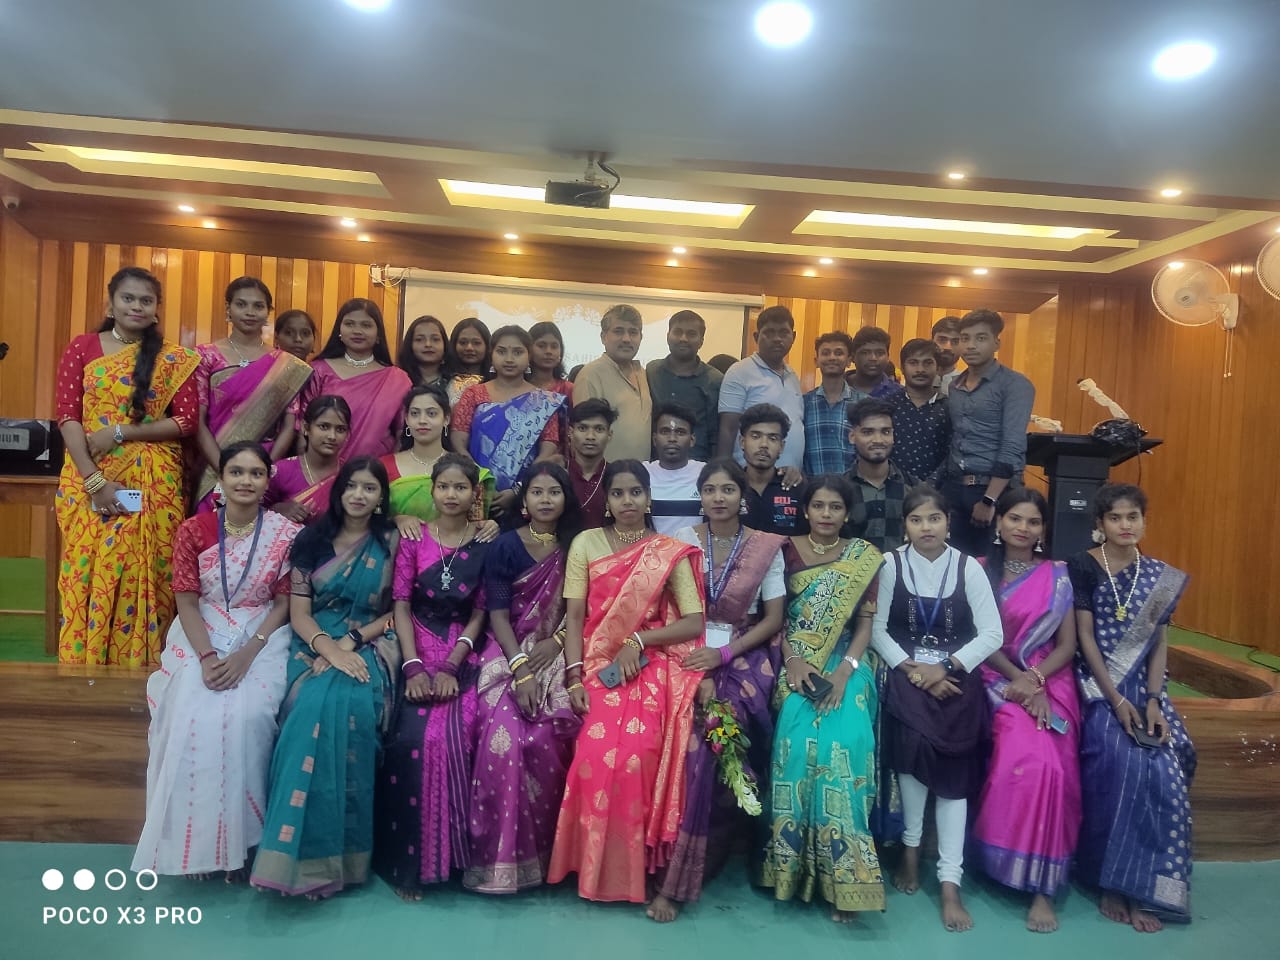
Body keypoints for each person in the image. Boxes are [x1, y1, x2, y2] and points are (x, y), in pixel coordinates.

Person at [132, 442, 301, 878]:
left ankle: (243, 844)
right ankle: (196, 846)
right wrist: (207, 656)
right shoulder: (194, 529)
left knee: (250, 716)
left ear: (267, 481)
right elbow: (186, 601)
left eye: (256, 473)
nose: (246, 481)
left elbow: (285, 604)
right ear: (221, 480)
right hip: (201, 627)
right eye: (236, 472)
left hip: (262, 631)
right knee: (188, 710)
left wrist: (247, 653)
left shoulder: (284, 533)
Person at [547, 460, 707, 908]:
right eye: (618, 493)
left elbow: (694, 621)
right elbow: (575, 615)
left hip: (649, 665)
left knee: (638, 754)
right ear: (607, 500)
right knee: (593, 754)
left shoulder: (667, 550)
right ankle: (588, 865)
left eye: (636, 492)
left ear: (648, 498)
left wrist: (640, 640)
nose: (627, 501)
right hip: (596, 663)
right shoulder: (586, 543)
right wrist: (574, 675)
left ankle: (635, 871)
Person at [251, 458, 400, 899]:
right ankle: (291, 857)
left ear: (381, 498)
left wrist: (351, 641)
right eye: (351, 486)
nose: (359, 495)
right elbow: (299, 613)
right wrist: (329, 649)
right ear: (338, 491)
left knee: (354, 706)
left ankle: (343, 859)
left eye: (369, 488)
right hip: (313, 642)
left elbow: (399, 610)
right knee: (307, 709)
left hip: (372, 639)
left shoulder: (392, 541)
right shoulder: (311, 540)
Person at [650, 460, 785, 921]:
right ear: (700, 496)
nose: (719, 498)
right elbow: (671, 610)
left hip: (744, 653)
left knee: (709, 746)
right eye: (710, 490)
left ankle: (687, 872)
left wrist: (723, 656)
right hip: (685, 650)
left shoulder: (766, 547)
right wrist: (700, 664)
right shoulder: (683, 540)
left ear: (742, 497)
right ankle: (653, 856)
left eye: (728, 489)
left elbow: (773, 619)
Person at [871, 485, 1002, 933]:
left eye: (934, 518)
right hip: (907, 674)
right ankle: (910, 848)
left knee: (954, 773)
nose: (926, 527)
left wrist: (944, 667)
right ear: (904, 526)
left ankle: (950, 881)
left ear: (948, 522)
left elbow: (992, 634)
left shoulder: (968, 568)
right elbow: (877, 630)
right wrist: (913, 670)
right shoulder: (890, 564)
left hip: (957, 677)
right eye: (916, 520)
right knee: (913, 746)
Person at [55, 266, 201, 666]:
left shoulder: (174, 358)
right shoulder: (82, 347)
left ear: (156, 308)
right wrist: (94, 481)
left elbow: (187, 421)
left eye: (146, 300)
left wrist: (120, 432)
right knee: (88, 571)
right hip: (89, 473)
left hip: (155, 481)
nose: (137, 306)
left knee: (149, 572)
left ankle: (148, 670)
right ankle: (85, 668)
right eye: (128, 298)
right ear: (111, 303)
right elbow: (67, 416)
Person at [759, 474, 887, 922]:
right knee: (794, 745)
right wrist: (793, 661)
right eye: (818, 506)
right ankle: (788, 872)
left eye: (835, 507)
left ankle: (846, 877)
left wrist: (844, 672)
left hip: (847, 661)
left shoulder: (863, 557)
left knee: (844, 746)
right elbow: (775, 618)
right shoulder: (784, 550)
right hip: (795, 658)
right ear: (805, 510)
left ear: (847, 513)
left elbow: (865, 625)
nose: (826, 514)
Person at [1069, 484, 1194, 933]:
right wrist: (1116, 699)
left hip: (1144, 688)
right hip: (1098, 685)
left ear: (1143, 521)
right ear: (1100, 524)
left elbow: (1159, 643)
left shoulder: (1158, 576)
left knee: (1167, 766)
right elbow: (1085, 638)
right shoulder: (1084, 565)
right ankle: (1111, 880)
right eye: (1115, 518)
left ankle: (1147, 887)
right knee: (1119, 761)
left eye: (1133, 517)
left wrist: (1154, 700)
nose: (1125, 525)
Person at [465, 464, 584, 894]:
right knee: (505, 736)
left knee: (554, 731)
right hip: (508, 647)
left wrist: (555, 642)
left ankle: (550, 856)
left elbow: (584, 608)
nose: (546, 500)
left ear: (566, 498)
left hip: (562, 646)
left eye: (554, 491)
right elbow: (497, 614)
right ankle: (498, 859)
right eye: (537, 492)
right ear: (524, 499)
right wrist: (519, 667)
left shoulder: (579, 545)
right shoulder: (506, 545)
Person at [377, 453, 491, 898]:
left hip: (464, 649)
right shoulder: (414, 538)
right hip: (414, 643)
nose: (451, 494)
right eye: (443, 486)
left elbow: (480, 612)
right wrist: (412, 666)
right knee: (408, 738)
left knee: (458, 735)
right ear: (433, 490)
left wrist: (451, 665)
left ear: (474, 493)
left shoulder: (485, 542)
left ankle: (456, 859)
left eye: (460, 487)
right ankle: (409, 864)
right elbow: (401, 604)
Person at [973, 489, 1081, 934]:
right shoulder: (978, 570)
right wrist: (1018, 682)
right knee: (1029, 758)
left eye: (1033, 521)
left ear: (1043, 530)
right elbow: (979, 638)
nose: (1023, 528)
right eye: (1014, 518)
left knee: (1053, 766)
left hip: (1049, 679)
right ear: (998, 522)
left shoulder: (1058, 575)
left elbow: (1067, 646)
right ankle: (1002, 856)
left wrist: (1034, 680)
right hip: (992, 675)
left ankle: (1044, 887)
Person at [192, 277, 311, 509]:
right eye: (241, 304)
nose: (250, 312)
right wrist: (224, 469)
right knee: (209, 529)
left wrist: (262, 470)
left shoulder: (285, 363)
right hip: (213, 464)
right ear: (228, 309)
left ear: (268, 312)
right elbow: (197, 421)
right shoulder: (205, 355)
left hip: (264, 466)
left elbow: (290, 426)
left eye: (258, 306)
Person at [943, 309, 1035, 556]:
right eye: (965, 338)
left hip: (995, 491)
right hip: (955, 489)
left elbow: (1012, 444)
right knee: (956, 565)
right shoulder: (955, 386)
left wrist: (989, 500)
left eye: (981, 338)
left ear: (996, 343)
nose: (971, 345)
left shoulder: (1015, 384)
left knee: (992, 565)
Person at [451, 325, 563, 522]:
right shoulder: (474, 394)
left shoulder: (543, 401)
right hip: (475, 491)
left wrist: (518, 489)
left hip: (525, 497)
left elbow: (548, 450)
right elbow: (459, 442)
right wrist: (480, 483)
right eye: (502, 351)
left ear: (529, 356)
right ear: (491, 355)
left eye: (517, 352)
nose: (509, 359)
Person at [305, 299, 412, 461]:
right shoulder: (318, 371)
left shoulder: (397, 379)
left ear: (378, 334)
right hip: (321, 467)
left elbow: (401, 433)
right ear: (339, 330)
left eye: (366, 325)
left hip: (375, 470)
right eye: (349, 324)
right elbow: (303, 426)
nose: (357, 331)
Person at [382, 384, 494, 535]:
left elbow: (475, 526)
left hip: (455, 548)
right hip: (396, 546)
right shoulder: (383, 467)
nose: (422, 420)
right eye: (415, 413)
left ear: (446, 419)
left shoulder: (467, 470)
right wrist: (397, 519)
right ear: (407, 419)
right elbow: (371, 518)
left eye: (431, 413)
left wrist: (488, 527)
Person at [717, 306, 804, 471]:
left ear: (793, 337)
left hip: (789, 477)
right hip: (749, 476)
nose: (777, 339)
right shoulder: (739, 372)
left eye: (783, 333)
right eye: (769, 333)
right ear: (756, 337)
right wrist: (724, 473)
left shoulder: (793, 376)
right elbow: (728, 428)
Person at [572, 304, 653, 461]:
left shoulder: (643, 374)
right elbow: (582, 437)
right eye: (618, 331)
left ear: (641, 337)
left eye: (633, 332)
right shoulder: (590, 375)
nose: (626, 339)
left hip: (642, 473)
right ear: (603, 337)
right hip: (605, 474)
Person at [645, 310, 722, 460]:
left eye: (691, 334)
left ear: (701, 341)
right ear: (668, 336)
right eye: (677, 332)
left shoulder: (714, 380)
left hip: (696, 465)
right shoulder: (651, 371)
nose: (683, 338)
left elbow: (715, 435)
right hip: (656, 464)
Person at [265, 395, 352, 524]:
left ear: (347, 435)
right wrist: (278, 508)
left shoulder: (351, 477)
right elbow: (252, 512)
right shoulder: (281, 471)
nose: (332, 436)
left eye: (340, 429)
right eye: (324, 427)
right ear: (305, 428)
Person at [843, 398, 914, 554]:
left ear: (893, 436)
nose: (878, 440)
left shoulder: (913, 489)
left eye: (885, 432)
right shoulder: (841, 490)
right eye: (868, 432)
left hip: (903, 569)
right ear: (852, 437)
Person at [887, 339, 951, 486]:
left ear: (938, 368)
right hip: (892, 488)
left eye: (927, 363)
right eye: (913, 363)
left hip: (937, 491)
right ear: (902, 367)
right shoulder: (887, 405)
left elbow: (953, 453)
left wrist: (931, 483)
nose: (920, 369)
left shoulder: (949, 407)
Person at [738, 404, 805, 537]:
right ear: (742, 442)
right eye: (756, 436)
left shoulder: (795, 486)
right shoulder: (730, 486)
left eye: (772, 438)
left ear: (781, 446)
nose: (764, 444)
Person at [644, 402, 705, 535]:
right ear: (654, 439)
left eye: (680, 432)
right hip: (652, 548)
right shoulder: (642, 473)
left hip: (696, 548)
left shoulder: (706, 473)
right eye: (665, 432)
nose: (672, 438)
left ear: (692, 440)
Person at [802, 331, 857, 475]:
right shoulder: (803, 404)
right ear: (816, 361)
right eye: (826, 353)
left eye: (839, 353)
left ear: (849, 360)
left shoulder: (863, 403)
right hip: (813, 486)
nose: (832, 357)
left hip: (853, 487)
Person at [567, 398, 615, 529]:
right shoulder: (557, 474)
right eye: (582, 428)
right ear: (570, 432)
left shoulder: (616, 477)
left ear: (609, 435)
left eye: (599, 429)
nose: (590, 436)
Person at [844, 326, 903, 402]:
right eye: (865, 353)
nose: (873, 358)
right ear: (853, 357)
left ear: (888, 357)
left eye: (880, 353)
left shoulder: (900, 395)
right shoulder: (835, 388)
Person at [397, 314, 453, 391]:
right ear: (410, 344)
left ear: (445, 344)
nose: (428, 344)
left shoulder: (456, 384)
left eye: (435, 339)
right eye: (419, 339)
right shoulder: (397, 380)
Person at [447, 317, 491, 406]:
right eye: (463, 343)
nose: (469, 348)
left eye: (476, 343)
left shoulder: (497, 382)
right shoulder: (444, 380)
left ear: (487, 346)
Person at [931, 316, 962, 394]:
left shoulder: (970, 388)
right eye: (942, 340)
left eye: (955, 342)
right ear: (932, 342)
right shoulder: (912, 384)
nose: (948, 347)